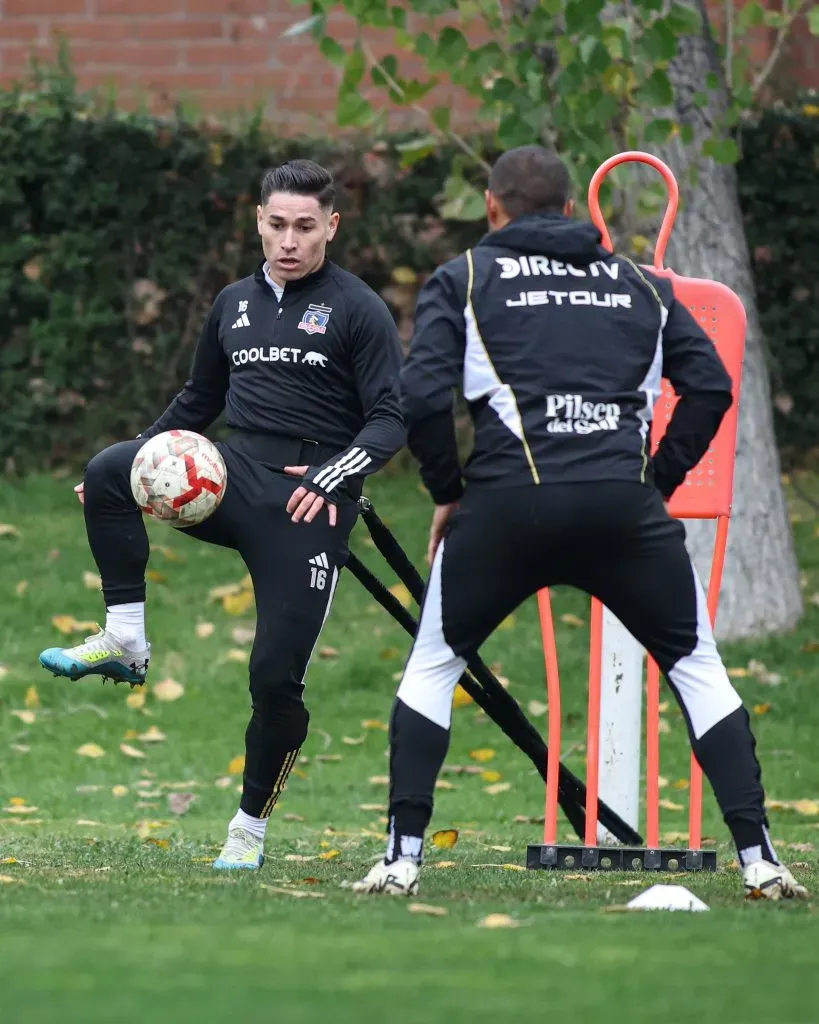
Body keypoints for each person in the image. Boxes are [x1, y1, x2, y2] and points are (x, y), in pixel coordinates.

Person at [351, 145, 807, 902]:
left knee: (434, 666)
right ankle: (759, 859)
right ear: (570, 211)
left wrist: (446, 490)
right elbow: (711, 388)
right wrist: (654, 482)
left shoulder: (461, 279)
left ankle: (402, 858)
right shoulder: (638, 283)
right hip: (620, 510)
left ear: (493, 208)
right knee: (696, 670)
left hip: (504, 508)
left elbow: (423, 396)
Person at [39, 159, 405, 870]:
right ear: (258, 221)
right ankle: (125, 642)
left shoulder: (358, 308)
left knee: (274, 677)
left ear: (331, 225)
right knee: (108, 467)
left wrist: (334, 479)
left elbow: (392, 418)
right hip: (231, 474)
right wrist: (138, 466)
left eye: (305, 227)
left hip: (307, 499)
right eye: (277, 225)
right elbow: (197, 400)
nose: (289, 241)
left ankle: (249, 828)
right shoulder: (233, 301)